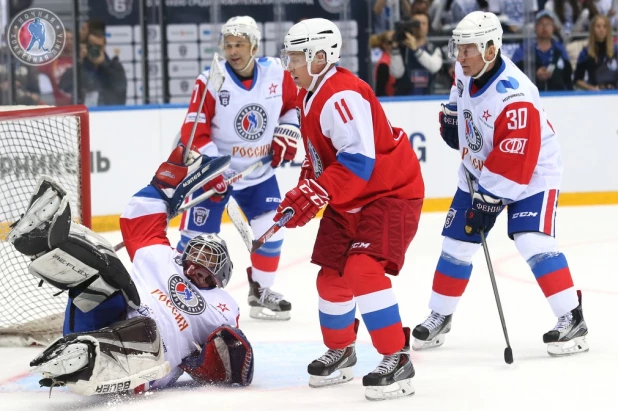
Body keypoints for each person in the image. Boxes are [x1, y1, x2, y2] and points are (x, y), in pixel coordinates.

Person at [6, 147, 254, 396]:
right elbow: (138, 217)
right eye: (198, 254)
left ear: (221, 275)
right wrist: (164, 186)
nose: (200, 262)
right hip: (102, 319)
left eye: (209, 260)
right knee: (106, 265)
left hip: (150, 364)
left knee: (145, 329)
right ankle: (40, 240)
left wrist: (210, 362)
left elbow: (226, 356)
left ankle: (84, 356)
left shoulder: (224, 305)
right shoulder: (164, 257)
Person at [412, 11, 589, 358]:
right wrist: (450, 115)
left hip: (532, 172)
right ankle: (440, 315)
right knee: (456, 243)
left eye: (467, 50)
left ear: (490, 50)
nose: (459, 57)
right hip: (480, 169)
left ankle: (572, 318)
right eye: (458, 48)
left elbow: (515, 164)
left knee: (533, 241)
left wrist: (486, 203)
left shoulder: (515, 97)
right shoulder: (468, 69)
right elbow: (458, 94)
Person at [278, 18, 425, 401]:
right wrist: (302, 195)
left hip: (389, 194)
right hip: (350, 198)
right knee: (331, 276)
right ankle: (343, 351)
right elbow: (318, 160)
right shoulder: (305, 95)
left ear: (320, 56)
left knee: (363, 270)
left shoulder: (342, 95)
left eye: (295, 57)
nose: (288, 65)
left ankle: (397, 357)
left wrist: (317, 192)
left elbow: (359, 161)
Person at [177, 16, 299, 321]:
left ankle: (261, 291)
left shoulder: (276, 72)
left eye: (240, 45)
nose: (233, 51)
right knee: (193, 242)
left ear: (254, 46)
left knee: (271, 231)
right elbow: (194, 128)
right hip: (215, 172)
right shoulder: (211, 80)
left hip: (258, 174)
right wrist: (212, 168)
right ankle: (176, 294)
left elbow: (293, 107)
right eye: (228, 44)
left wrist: (288, 131)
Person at [510, 11, 573, 91]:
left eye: (548, 24)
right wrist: (535, 74)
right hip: (529, 94)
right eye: (541, 24)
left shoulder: (560, 50)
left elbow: (568, 76)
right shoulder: (525, 49)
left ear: (553, 28)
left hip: (557, 95)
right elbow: (513, 72)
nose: (544, 27)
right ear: (535, 27)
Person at [574, 14, 618, 90]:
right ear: (592, 29)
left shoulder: (616, 50)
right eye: (598, 26)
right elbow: (577, 80)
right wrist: (591, 88)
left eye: (605, 26)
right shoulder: (585, 53)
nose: (601, 29)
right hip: (596, 93)